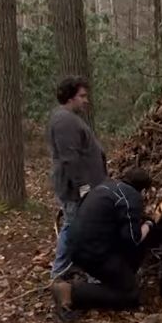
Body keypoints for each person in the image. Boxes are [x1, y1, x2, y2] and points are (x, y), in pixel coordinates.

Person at [51, 167, 155, 322]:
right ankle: (71, 292)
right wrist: (149, 224)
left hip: (76, 246)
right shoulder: (131, 197)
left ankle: (100, 283)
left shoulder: (105, 186)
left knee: (120, 275)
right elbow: (133, 238)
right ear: (143, 190)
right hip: (95, 252)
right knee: (130, 294)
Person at [47, 76, 107, 279]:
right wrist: (83, 186)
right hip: (74, 190)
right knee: (74, 227)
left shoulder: (69, 118)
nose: (86, 100)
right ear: (70, 97)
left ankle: (73, 267)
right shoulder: (64, 120)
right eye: (82, 96)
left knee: (77, 227)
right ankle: (60, 271)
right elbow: (69, 158)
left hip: (81, 187)